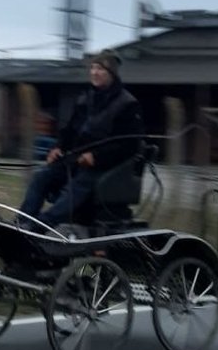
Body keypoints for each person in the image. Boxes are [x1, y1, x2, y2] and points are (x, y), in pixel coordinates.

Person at [17, 49, 144, 228]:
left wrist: (96, 157)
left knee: (80, 183)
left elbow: (128, 145)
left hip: (106, 168)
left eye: (100, 69)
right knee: (42, 177)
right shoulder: (85, 99)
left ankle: (43, 225)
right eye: (92, 68)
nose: (94, 72)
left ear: (112, 74)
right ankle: (22, 222)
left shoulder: (127, 105)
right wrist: (58, 147)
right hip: (77, 160)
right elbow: (69, 131)